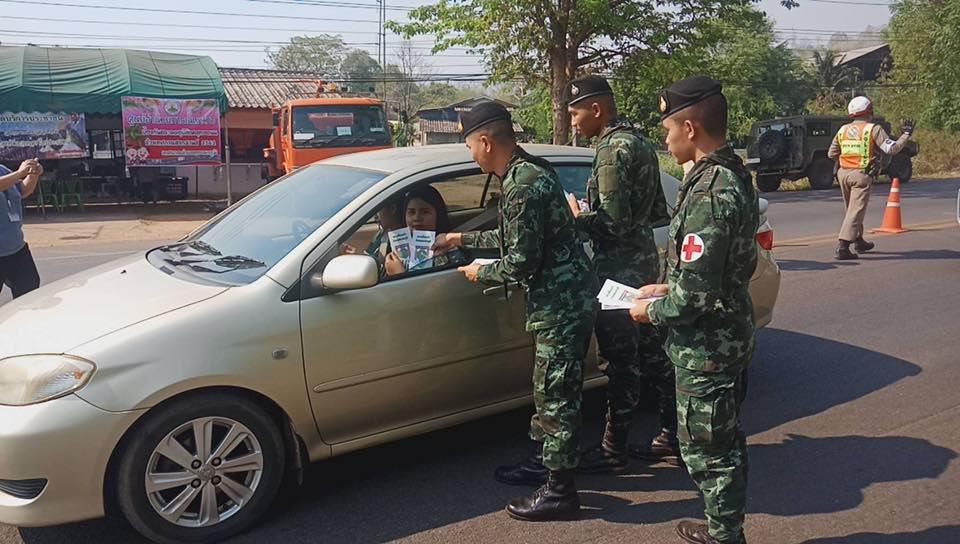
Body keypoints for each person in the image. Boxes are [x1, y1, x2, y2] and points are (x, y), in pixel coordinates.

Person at [432, 100, 598, 521]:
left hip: (560, 306)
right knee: (549, 389)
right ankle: (543, 462)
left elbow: (520, 261)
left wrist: (480, 274)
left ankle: (560, 491)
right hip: (563, 299)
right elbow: (516, 238)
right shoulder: (528, 171)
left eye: (470, 145)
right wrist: (458, 239)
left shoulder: (523, 184)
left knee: (556, 394)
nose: (470, 154)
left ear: (485, 141)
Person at [629, 76, 758, 544]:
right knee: (724, 442)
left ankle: (726, 537)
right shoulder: (728, 173)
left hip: (707, 346)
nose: (664, 139)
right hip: (727, 333)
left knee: (707, 451)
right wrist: (669, 284)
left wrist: (651, 311)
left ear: (689, 126)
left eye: (667, 130)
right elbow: (718, 268)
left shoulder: (708, 191)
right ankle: (725, 528)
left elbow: (695, 298)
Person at [562, 75, 679, 473]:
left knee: (620, 362)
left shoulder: (611, 150)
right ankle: (673, 435)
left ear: (596, 109)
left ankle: (615, 448)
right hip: (644, 260)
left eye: (576, 113)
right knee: (654, 355)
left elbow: (612, 223)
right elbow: (653, 212)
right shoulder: (640, 141)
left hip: (618, 272)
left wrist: (579, 218)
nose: (573, 122)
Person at [827, 96, 914, 260]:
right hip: (861, 174)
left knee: (851, 209)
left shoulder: (843, 130)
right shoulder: (873, 129)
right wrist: (905, 135)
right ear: (869, 111)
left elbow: (831, 153)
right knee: (855, 210)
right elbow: (892, 149)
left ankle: (859, 241)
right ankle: (843, 246)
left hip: (843, 174)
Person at [384, 185, 452, 276]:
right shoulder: (397, 246)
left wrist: (399, 275)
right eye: (411, 212)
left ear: (438, 215)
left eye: (425, 212)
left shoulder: (450, 250)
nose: (417, 218)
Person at [0, 159, 43, 301]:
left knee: (29, 294)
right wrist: (19, 173)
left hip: (17, 248)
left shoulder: (2, 169)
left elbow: (23, 191)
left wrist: (33, 174)